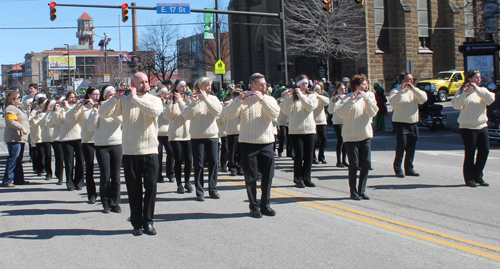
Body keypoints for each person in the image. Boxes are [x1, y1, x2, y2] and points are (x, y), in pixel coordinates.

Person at [99, 72, 163, 236]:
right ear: (133, 85)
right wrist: (115, 98)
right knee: (134, 190)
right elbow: (103, 113)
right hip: (130, 152)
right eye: (141, 82)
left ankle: (148, 221)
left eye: (146, 82)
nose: (145, 84)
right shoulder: (124, 101)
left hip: (150, 151)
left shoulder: (155, 99)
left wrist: (135, 99)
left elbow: (154, 112)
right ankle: (136, 223)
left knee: (151, 188)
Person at [224, 72, 280, 218]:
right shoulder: (244, 100)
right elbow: (228, 115)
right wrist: (237, 101)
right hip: (248, 143)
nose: (264, 87)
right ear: (253, 85)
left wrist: (263, 100)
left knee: (268, 176)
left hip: (266, 142)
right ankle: (253, 206)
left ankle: (265, 205)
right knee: (251, 177)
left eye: (265, 84)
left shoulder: (270, 99)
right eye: (261, 84)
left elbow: (275, 115)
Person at [451, 69, 495, 187]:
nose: (479, 80)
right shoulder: (462, 91)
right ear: (469, 79)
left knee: (484, 150)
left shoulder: (482, 90)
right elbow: (456, 105)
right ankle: (469, 178)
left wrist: (477, 89)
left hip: (481, 125)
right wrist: (465, 93)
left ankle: (478, 176)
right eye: (476, 77)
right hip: (467, 127)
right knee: (470, 153)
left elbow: (491, 99)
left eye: (479, 77)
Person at [338, 74, 378, 200]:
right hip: (350, 136)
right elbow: (341, 114)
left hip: (365, 134)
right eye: (363, 84)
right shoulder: (347, 98)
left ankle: (362, 190)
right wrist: (351, 101)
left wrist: (367, 99)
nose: (366, 86)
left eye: (366, 84)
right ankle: (353, 191)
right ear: (356, 86)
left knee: (365, 163)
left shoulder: (370, 96)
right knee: (354, 164)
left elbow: (373, 112)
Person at [182, 77, 223, 201]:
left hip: (212, 136)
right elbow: (186, 116)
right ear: (200, 87)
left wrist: (206, 99)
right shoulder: (192, 99)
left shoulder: (213, 99)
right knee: (198, 164)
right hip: (197, 136)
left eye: (210, 85)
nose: (209, 87)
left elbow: (217, 113)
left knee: (213, 163)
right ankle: (199, 191)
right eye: (207, 85)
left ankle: (212, 189)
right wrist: (194, 102)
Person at [87, 85, 123, 213]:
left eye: (115, 94)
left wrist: (109, 111)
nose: (113, 97)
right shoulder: (98, 108)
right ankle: (106, 203)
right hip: (101, 145)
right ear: (104, 96)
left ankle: (116, 202)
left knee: (116, 176)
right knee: (105, 175)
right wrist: (97, 113)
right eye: (110, 95)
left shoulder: (119, 107)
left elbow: (122, 121)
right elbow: (91, 127)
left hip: (117, 143)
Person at [281, 75, 318, 188]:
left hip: (309, 129)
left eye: (306, 83)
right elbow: (286, 111)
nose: (305, 86)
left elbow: (310, 107)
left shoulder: (312, 96)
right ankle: (298, 179)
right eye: (302, 84)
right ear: (297, 85)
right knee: (299, 156)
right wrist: (288, 97)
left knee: (308, 156)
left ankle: (307, 178)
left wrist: (301, 94)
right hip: (295, 130)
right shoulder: (292, 97)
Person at [388, 71, 427, 178]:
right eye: (409, 79)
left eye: (412, 79)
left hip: (413, 122)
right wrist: (401, 91)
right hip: (400, 123)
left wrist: (413, 89)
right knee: (401, 145)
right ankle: (398, 168)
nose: (411, 81)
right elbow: (393, 103)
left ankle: (409, 168)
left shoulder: (414, 91)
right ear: (402, 80)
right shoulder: (395, 91)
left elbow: (423, 99)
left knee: (411, 146)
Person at [165, 80, 194, 194]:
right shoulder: (172, 100)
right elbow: (169, 116)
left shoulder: (189, 100)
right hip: (175, 135)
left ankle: (187, 182)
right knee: (178, 159)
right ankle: (179, 184)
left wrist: (181, 100)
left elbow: (188, 114)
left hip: (188, 134)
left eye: (185, 86)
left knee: (188, 159)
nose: (183, 88)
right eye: (181, 86)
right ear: (176, 88)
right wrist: (170, 103)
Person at [2, 91, 30, 187]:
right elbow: (11, 121)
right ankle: (7, 180)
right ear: (13, 99)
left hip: (20, 137)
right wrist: (22, 128)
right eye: (18, 97)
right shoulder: (10, 108)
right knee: (13, 159)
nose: (20, 99)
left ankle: (19, 179)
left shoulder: (18, 108)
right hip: (14, 137)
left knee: (18, 159)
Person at [155, 85, 175, 183]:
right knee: (158, 155)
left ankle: (170, 173)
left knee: (171, 153)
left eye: (166, 93)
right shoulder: (156, 102)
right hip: (158, 132)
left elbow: (170, 114)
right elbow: (160, 112)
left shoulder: (169, 102)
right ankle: (158, 175)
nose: (166, 95)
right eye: (163, 93)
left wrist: (169, 103)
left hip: (168, 132)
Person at [328, 82, 349, 167]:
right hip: (337, 121)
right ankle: (338, 161)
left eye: (344, 89)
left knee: (345, 141)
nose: (343, 90)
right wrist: (334, 101)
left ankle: (344, 160)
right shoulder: (333, 98)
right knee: (340, 140)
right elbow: (330, 111)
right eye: (341, 89)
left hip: (345, 121)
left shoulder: (346, 97)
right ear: (337, 90)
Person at [224, 91, 243, 176]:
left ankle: (240, 167)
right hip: (232, 130)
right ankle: (233, 168)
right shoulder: (229, 104)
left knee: (241, 151)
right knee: (232, 151)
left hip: (241, 130)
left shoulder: (243, 104)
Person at [311, 82, 329, 164]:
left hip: (322, 121)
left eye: (319, 89)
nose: (318, 91)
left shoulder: (322, 97)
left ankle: (321, 156)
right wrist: (314, 96)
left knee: (324, 139)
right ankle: (313, 157)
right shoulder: (311, 98)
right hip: (313, 121)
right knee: (314, 140)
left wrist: (318, 95)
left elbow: (326, 102)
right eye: (316, 89)